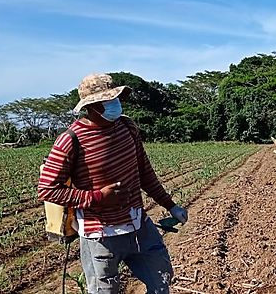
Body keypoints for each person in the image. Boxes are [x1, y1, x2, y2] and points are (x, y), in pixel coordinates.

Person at [38, 73, 188, 294]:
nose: (115, 104)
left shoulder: (127, 127)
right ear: (92, 106)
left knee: (161, 281)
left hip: (138, 225)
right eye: (108, 100)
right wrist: (98, 197)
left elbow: (145, 172)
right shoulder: (71, 140)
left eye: (115, 98)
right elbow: (47, 190)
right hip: (100, 235)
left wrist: (170, 205)